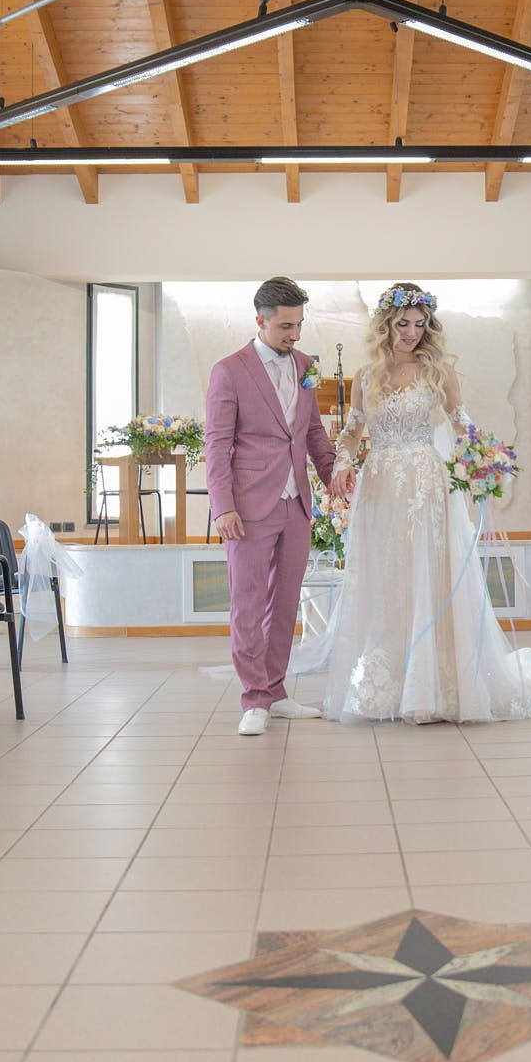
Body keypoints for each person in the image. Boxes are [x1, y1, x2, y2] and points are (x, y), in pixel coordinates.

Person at [313, 283, 531, 722]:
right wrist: (342, 461)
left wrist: (484, 460)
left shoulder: (439, 372)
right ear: (385, 325)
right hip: (380, 487)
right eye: (402, 324)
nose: (411, 333)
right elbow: (351, 430)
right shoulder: (366, 376)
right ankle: (388, 684)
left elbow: (464, 427)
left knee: (429, 574)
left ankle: (435, 686)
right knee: (388, 577)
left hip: (426, 484)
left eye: (420, 324)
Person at [204, 276, 338, 736]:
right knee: (248, 603)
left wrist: (332, 475)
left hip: (296, 503)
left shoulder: (305, 364)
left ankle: (277, 693)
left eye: (298, 324)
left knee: (284, 603)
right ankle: (253, 698)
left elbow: (312, 431)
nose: (294, 334)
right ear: (259, 320)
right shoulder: (229, 370)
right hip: (247, 505)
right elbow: (217, 444)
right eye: (285, 326)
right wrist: (222, 506)